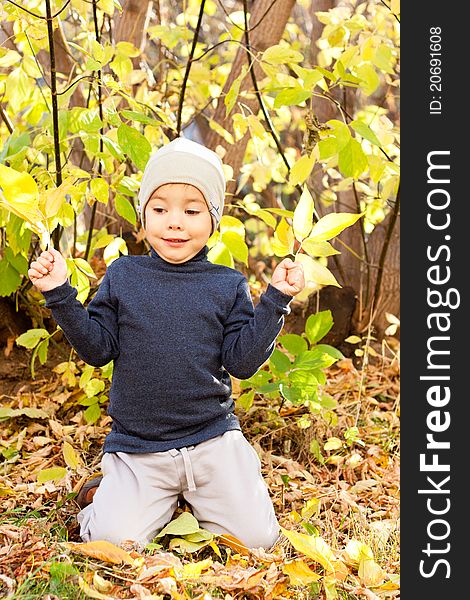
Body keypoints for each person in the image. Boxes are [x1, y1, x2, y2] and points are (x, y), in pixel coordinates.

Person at [28, 137, 305, 550]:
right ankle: (109, 494)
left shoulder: (226, 285)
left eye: (191, 211)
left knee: (256, 540)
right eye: (160, 209)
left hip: (212, 442)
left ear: (213, 219)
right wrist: (60, 293)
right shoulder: (124, 276)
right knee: (110, 542)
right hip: (140, 448)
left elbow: (242, 362)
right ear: (144, 215)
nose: (175, 222)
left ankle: (197, 497)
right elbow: (97, 349)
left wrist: (276, 301)